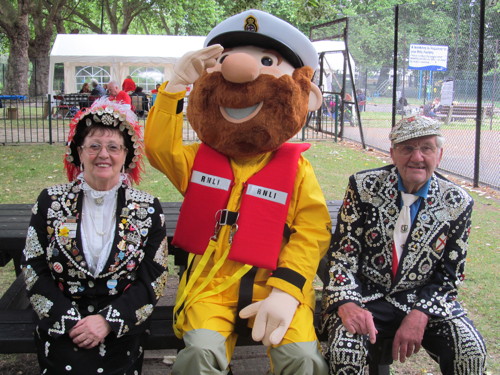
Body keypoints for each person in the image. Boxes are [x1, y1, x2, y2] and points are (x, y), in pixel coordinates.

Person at [145, 9, 331, 375]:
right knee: (199, 354)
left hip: (275, 283)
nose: (241, 70)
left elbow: (312, 231)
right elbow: (158, 149)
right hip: (210, 283)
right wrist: (173, 89)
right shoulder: (199, 161)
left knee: (304, 360)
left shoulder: (296, 169)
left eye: (266, 62)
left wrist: (287, 289)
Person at [321, 116, 487, 375]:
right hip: (365, 296)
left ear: (439, 154)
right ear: (392, 153)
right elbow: (343, 255)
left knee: (470, 349)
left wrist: (421, 313)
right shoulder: (363, 187)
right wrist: (348, 303)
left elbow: (449, 275)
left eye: (427, 148)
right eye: (407, 148)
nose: (417, 157)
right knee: (346, 350)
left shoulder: (457, 202)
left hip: (423, 300)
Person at [20, 98, 169, 374]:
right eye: (94, 146)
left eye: (113, 147)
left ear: (126, 155)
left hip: (120, 329)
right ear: (79, 152)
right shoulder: (50, 201)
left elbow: (155, 277)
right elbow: (33, 267)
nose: (104, 154)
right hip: (62, 326)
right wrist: (68, 319)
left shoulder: (148, 208)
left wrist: (107, 322)